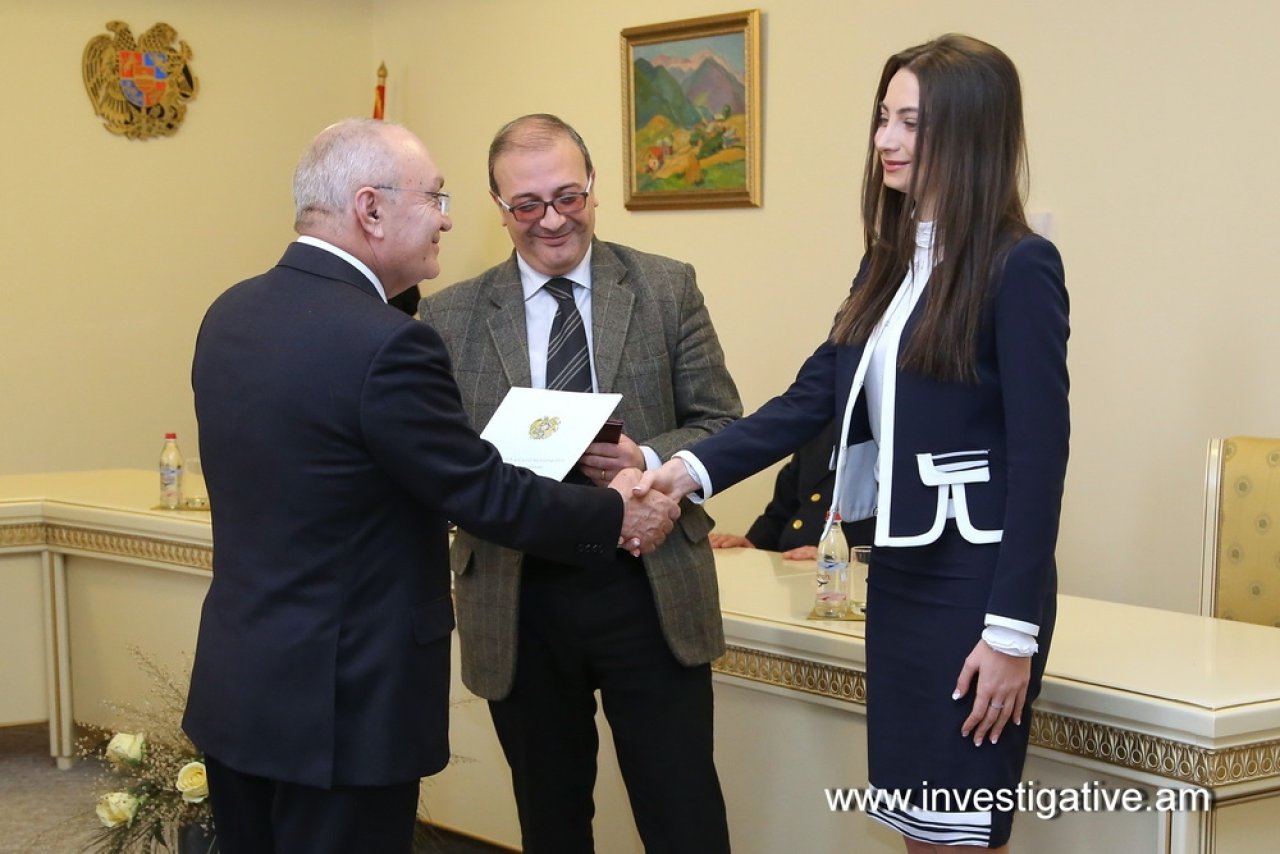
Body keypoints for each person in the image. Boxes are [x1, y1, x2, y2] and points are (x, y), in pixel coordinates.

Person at [182, 118, 679, 854]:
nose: (447, 219)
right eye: (435, 198)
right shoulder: (386, 341)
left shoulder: (231, 312)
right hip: (344, 700)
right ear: (371, 209)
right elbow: (481, 492)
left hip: (242, 685)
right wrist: (616, 515)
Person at [639, 35, 1068, 852]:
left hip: (975, 587)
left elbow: (1040, 457)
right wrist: (682, 467)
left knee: (960, 829)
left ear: (970, 130)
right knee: (917, 823)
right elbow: (812, 397)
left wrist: (1013, 633)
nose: (884, 140)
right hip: (900, 575)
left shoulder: (1020, 266)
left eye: (910, 122)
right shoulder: (886, 261)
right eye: (883, 118)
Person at [418, 113, 740, 854]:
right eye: (527, 205)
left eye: (568, 197)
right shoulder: (448, 315)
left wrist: (647, 458)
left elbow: (723, 423)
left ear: (595, 188)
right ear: (497, 207)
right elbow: (441, 463)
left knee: (684, 815)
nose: (552, 220)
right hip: (518, 593)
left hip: (649, 586)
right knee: (551, 822)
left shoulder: (665, 287)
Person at [708, 420, 874, 560]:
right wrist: (752, 542)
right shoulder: (823, 428)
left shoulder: (884, 435)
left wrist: (839, 555)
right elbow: (783, 510)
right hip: (792, 568)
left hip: (852, 575)